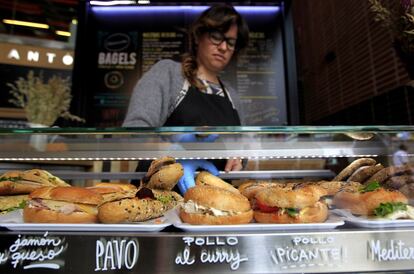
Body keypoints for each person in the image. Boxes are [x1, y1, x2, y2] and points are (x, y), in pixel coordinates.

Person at [123, 4, 250, 193]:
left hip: (213, 202)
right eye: (216, 36)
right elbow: (133, 134)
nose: (223, 47)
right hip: (158, 199)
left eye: (230, 42)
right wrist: (176, 150)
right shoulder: (169, 74)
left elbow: (242, 148)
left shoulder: (232, 96)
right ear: (199, 36)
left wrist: (237, 159)